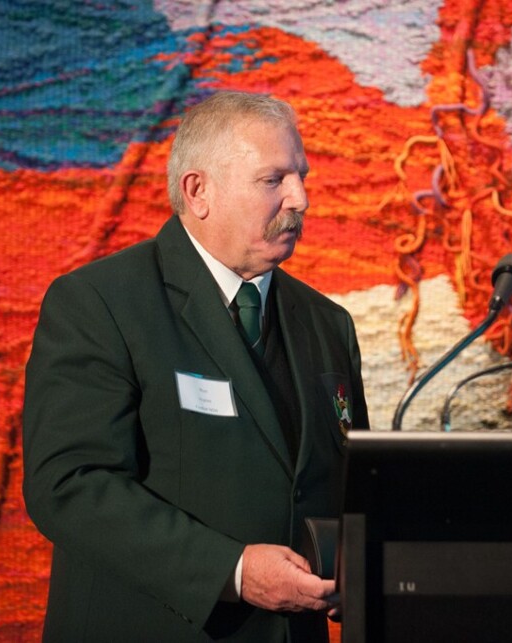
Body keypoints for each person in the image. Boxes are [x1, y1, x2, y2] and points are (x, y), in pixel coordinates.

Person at [22, 90, 368, 642]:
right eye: (273, 179)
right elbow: (69, 485)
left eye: (301, 176)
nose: (300, 198)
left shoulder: (329, 323)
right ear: (198, 191)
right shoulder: (100, 302)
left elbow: (350, 488)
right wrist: (232, 572)